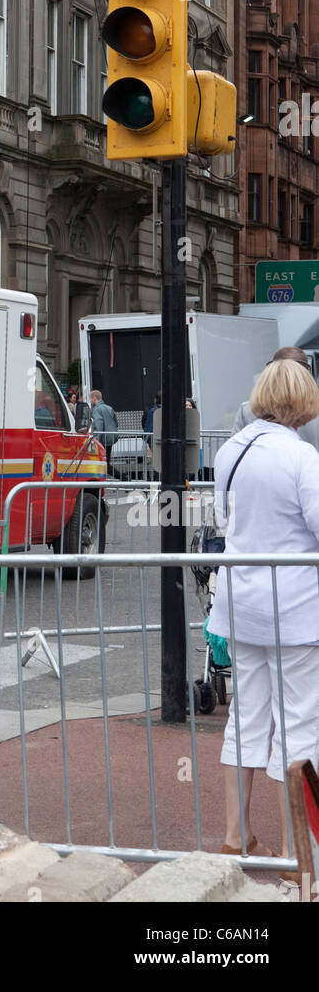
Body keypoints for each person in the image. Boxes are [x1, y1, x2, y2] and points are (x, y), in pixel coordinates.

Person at [208, 359, 319, 859]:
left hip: (238, 602)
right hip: (294, 609)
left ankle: (236, 837)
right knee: (299, 726)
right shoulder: (302, 458)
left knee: (244, 721)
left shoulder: (229, 450)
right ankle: (300, 854)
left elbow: (221, 519)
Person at [232, 347, 319, 450]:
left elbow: (234, 448)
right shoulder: (314, 408)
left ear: (270, 373)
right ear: (305, 375)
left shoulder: (247, 409)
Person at [89, 389, 118, 475]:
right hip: (110, 438)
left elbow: (98, 426)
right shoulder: (109, 408)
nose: (90, 401)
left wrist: (95, 441)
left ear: (94, 398)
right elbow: (116, 423)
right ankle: (123, 477)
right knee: (105, 462)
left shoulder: (96, 410)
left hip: (102, 440)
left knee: (103, 464)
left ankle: (124, 477)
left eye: (90, 399)